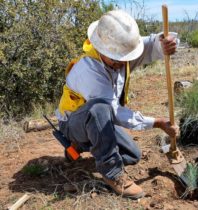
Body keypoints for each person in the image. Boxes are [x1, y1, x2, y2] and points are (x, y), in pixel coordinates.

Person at [55, 9, 179, 199]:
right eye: (117, 59)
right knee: (99, 108)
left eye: (126, 58)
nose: (123, 63)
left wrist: (165, 43)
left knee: (132, 155)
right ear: (101, 48)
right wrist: (158, 122)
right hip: (72, 123)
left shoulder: (120, 54)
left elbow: (150, 45)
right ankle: (112, 173)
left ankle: (83, 145)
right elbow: (113, 111)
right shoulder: (89, 70)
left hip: (97, 120)